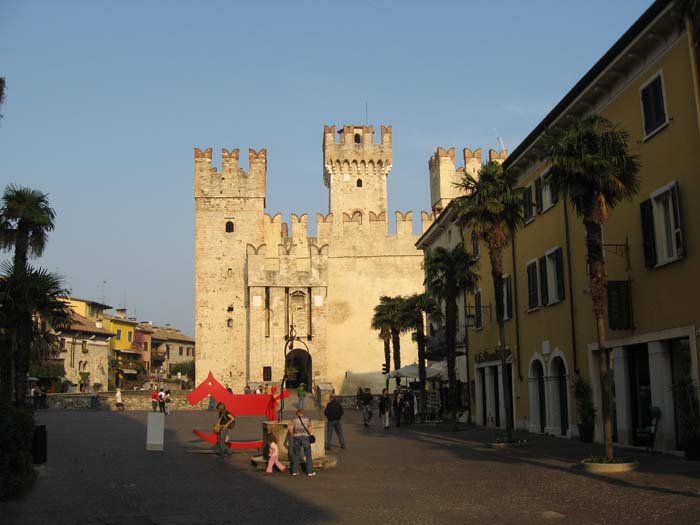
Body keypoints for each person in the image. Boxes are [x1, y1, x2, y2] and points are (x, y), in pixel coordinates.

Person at [288, 408, 315, 476]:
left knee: (296, 455)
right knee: (308, 455)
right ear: (303, 413)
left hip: (296, 437)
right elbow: (310, 428)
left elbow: (290, 429)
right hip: (305, 437)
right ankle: (310, 471)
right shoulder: (308, 419)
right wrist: (309, 433)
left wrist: (293, 435)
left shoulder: (294, 420)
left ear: (297, 414)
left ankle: (294, 471)